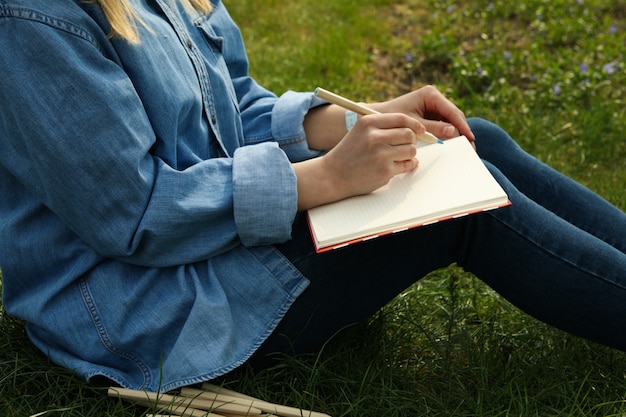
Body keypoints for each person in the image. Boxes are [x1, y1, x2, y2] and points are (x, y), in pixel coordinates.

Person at [0, 0, 625, 394]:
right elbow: (131, 215)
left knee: (467, 142)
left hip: (200, 246)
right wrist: (326, 179)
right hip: (146, 306)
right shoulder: (34, 18)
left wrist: (357, 123)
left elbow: (234, 107)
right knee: (459, 215)